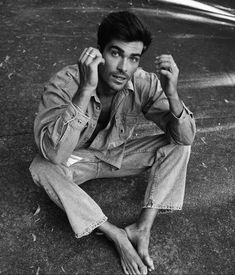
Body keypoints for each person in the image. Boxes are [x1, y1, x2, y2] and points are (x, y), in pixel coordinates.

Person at [29, 11, 196, 275]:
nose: (123, 68)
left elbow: (184, 138)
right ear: (99, 52)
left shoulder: (143, 82)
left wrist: (172, 94)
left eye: (133, 58)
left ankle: (142, 227)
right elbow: (54, 153)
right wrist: (85, 90)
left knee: (179, 144)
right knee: (42, 166)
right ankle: (115, 233)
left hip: (116, 157)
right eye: (116, 53)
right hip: (76, 161)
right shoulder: (64, 83)